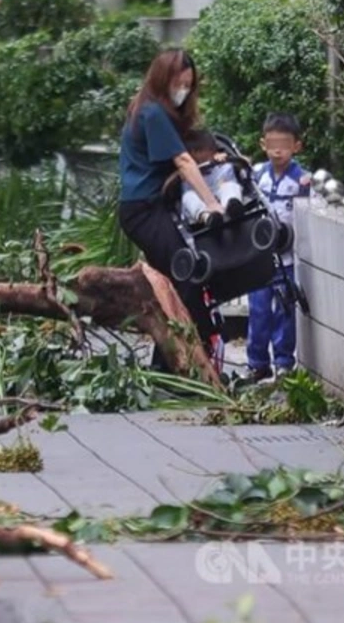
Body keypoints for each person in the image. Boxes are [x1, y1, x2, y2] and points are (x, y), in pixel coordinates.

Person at [117, 48, 233, 370]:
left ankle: (166, 366)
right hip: (143, 208)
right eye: (178, 85)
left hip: (146, 207)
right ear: (162, 80)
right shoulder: (152, 113)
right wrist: (212, 202)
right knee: (187, 274)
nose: (183, 92)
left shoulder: (150, 109)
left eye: (188, 85)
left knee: (172, 281)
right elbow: (182, 160)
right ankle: (179, 363)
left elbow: (190, 149)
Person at [245, 112, 312, 382]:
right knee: (258, 309)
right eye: (272, 144)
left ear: (296, 146)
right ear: (263, 144)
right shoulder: (255, 175)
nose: (277, 151)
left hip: (287, 258)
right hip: (259, 257)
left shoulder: (303, 180)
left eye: (284, 145)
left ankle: (284, 362)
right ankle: (257, 363)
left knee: (285, 309)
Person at [179, 129, 244, 228]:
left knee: (230, 185)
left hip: (220, 192)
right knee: (188, 197)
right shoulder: (185, 175)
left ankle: (232, 205)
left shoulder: (222, 166)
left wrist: (227, 160)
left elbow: (243, 166)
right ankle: (207, 217)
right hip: (200, 204)